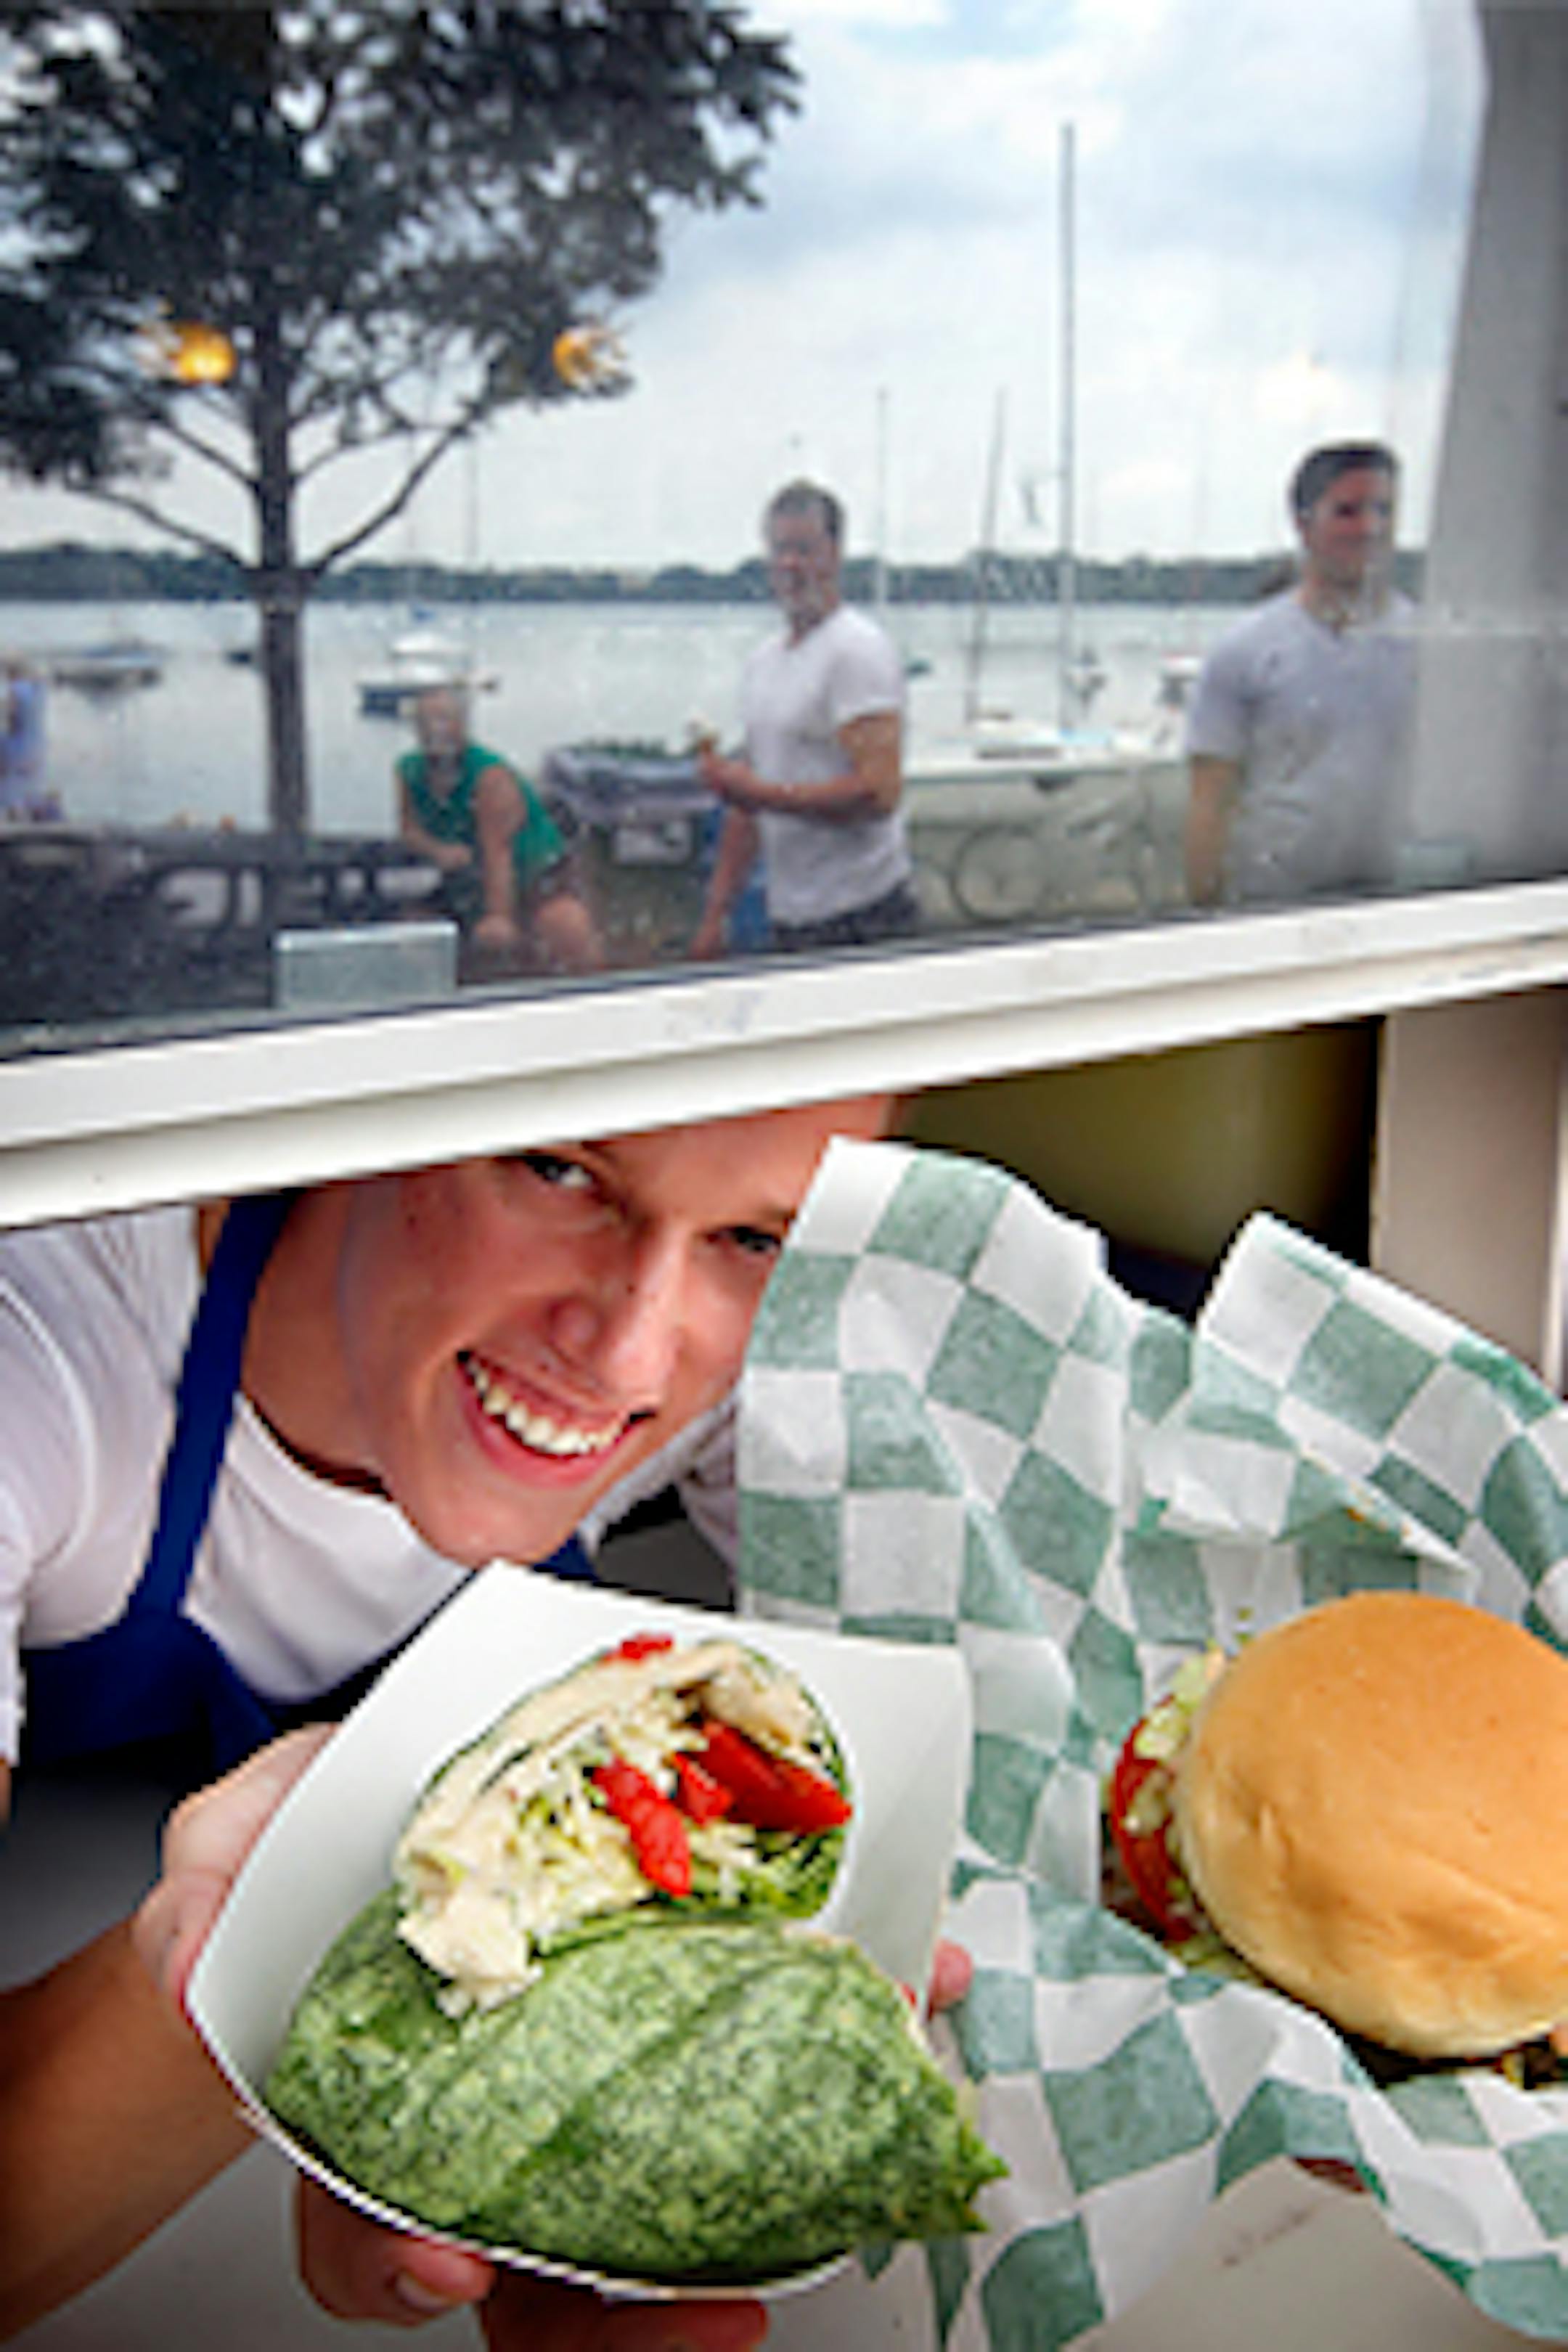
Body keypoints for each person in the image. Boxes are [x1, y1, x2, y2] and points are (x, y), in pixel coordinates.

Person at [0, 1094, 898, 2338]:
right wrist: (283, 1954)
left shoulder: (746, 1368)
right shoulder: (41, 1347)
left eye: (753, 1238)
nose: (631, 1359)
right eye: (557, 1171)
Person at [690, 481, 920, 958]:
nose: (790, 565)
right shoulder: (763, 663)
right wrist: (716, 916)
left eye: (804, 550)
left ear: (834, 555)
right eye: (780, 551)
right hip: (791, 916)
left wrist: (764, 795)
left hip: (864, 913)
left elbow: (880, 792)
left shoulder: (856, 651)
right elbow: (746, 809)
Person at [1183, 441, 1416, 908]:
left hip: (1401, 905)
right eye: (1347, 512)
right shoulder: (1245, 651)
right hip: (1275, 910)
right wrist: (1206, 913)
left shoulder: (1428, 645)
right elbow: (1210, 800)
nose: (1368, 528)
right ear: (1304, 525)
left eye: (1383, 511)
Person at [396, 683, 601, 973]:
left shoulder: (490, 775)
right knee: (415, 937)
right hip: (467, 879)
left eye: (443, 719)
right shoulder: (408, 770)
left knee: (561, 926)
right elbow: (409, 830)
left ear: (462, 724)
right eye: (426, 721)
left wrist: (499, 915)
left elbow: (498, 851)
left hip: (534, 873)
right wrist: (440, 851)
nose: (435, 730)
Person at [0, 656, 57, 822]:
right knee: (28, 784)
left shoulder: (17, 688)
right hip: (38, 745)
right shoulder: (39, 689)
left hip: (20, 746)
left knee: (11, 783)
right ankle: (31, 811)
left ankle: (16, 813)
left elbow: (11, 715)